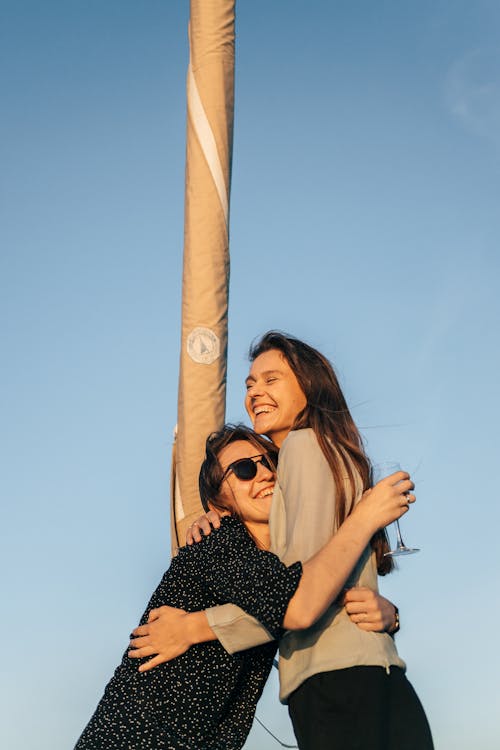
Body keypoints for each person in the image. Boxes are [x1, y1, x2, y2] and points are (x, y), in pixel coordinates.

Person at [131, 332, 433, 750]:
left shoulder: (304, 448)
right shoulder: (329, 455)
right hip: (374, 680)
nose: (255, 392)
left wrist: (194, 627)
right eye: (250, 384)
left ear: (309, 387)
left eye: (271, 380)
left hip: (337, 686)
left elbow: (294, 598)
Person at [76, 423, 413, 750]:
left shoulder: (276, 565)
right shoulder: (220, 541)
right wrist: (366, 516)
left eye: (271, 461)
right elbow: (298, 605)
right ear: (219, 504)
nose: (265, 473)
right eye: (243, 470)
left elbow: (308, 595)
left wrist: (390, 616)